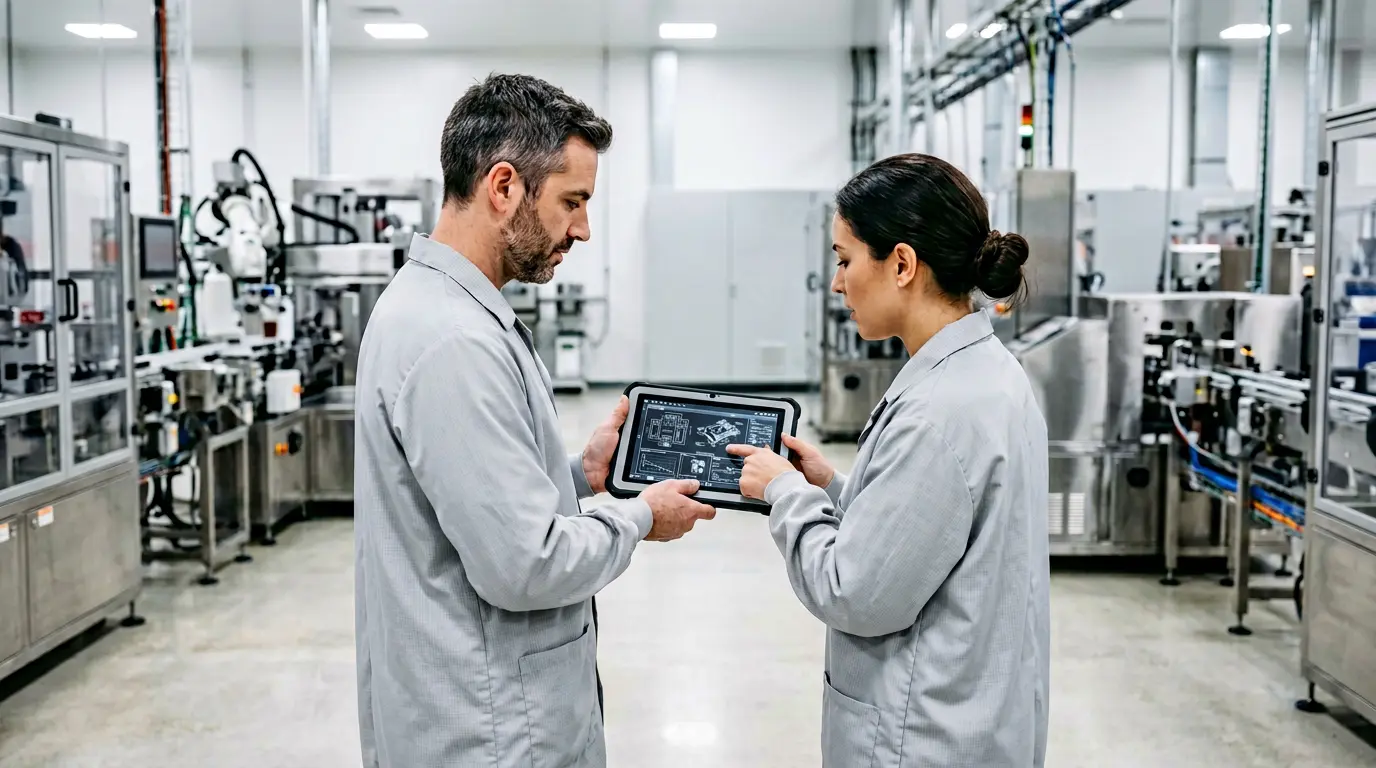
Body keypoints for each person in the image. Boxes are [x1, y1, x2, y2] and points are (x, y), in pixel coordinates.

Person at [353, 74, 716, 768]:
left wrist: (578, 478)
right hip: (488, 732)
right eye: (572, 202)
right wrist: (639, 514)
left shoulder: (441, 310)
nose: (582, 228)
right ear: (504, 188)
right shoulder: (452, 339)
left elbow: (474, 506)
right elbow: (526, 567)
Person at [729, 154, 1051, 767]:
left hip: (922, 739)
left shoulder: (940, 409)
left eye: (845, 259)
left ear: (901, 264)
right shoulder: (985, 374)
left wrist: (785, 495)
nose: (836, 282)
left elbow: (855, 593)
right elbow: (933, 527)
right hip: (974, 718)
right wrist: (829, 486)